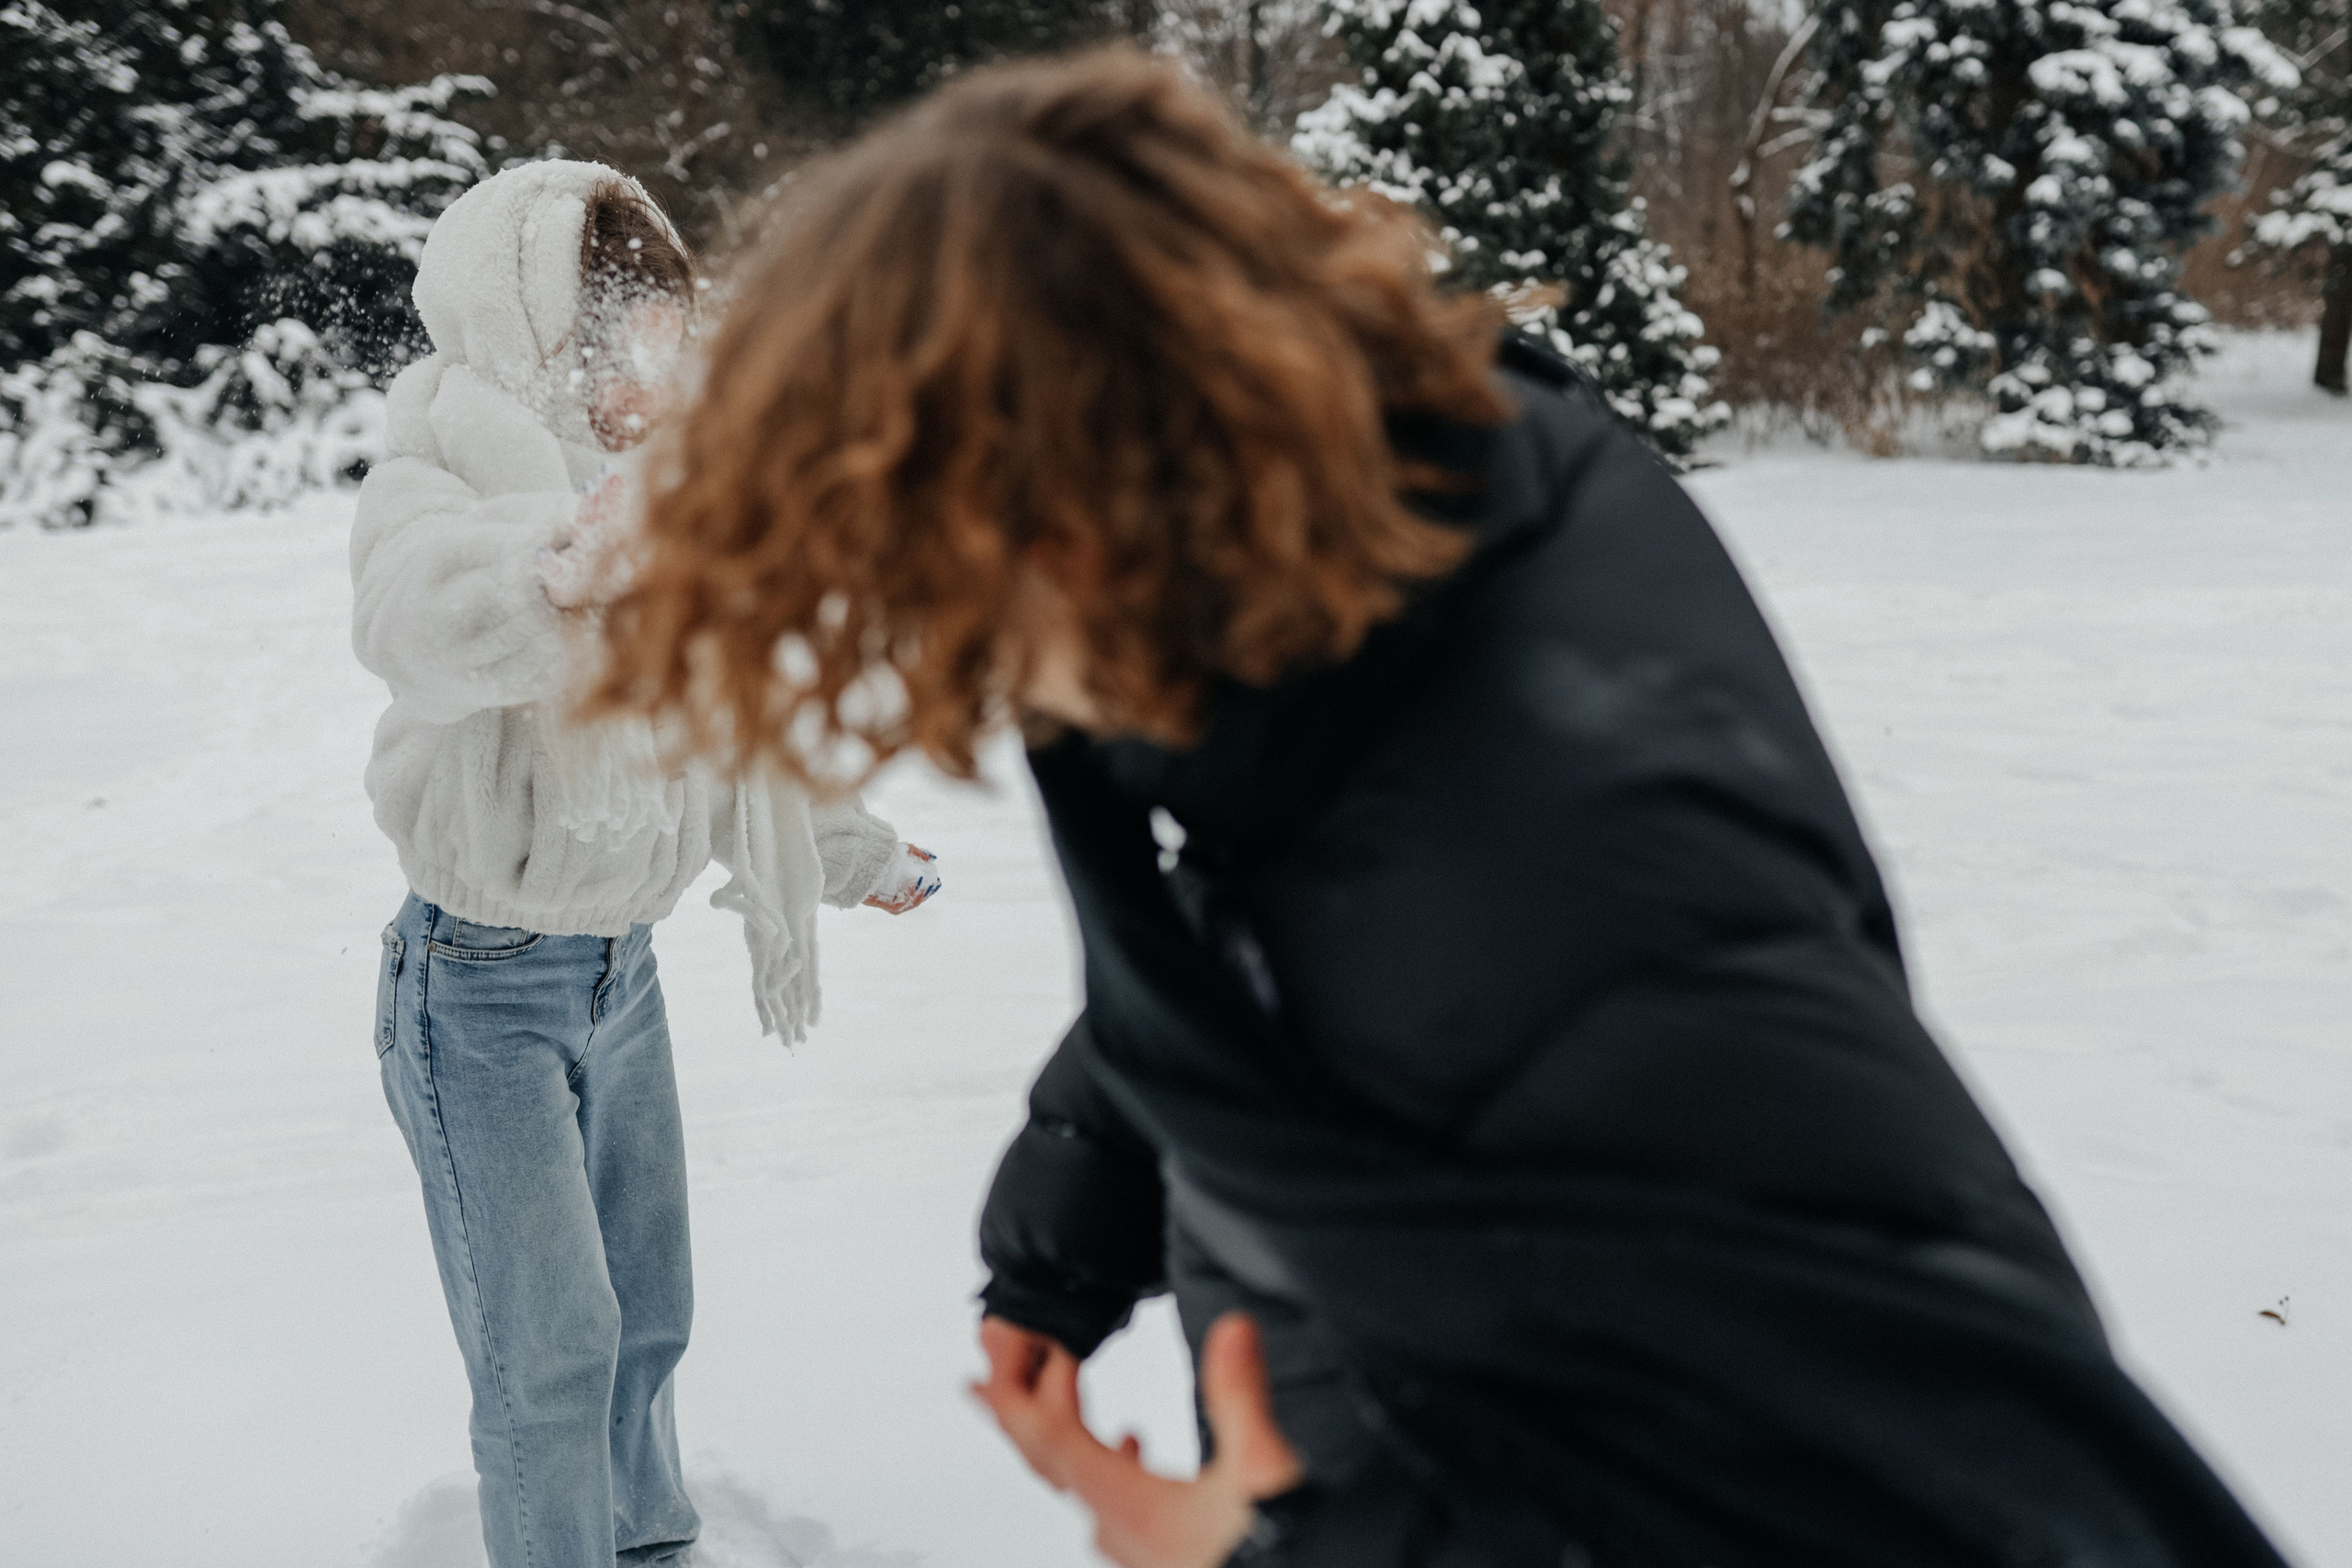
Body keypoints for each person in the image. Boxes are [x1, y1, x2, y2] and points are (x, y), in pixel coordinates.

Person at [583, 52, 2290, 1568]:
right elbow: (1264, 927)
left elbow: (1675, 1479)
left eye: (929, 563)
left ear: (1072, 503)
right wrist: (1068, 1231)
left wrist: (1234, 1542)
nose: (945, 643)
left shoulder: (1526, 904)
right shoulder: (1435, 530)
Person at [350, 160, 942, 1568]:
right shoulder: (440, 457)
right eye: (622, 342)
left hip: (624, 978)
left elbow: (732, 724)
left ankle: (652, 1546)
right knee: (548, 1353)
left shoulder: (671, 497)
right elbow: (408, 620)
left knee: (646, 1313)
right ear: (539, 330)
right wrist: (552, 574)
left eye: (671, 338)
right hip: (477, 991)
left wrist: (848, 851)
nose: (655, 375)